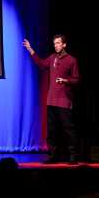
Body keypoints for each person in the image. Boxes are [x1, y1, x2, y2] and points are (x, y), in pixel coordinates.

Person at [23, 34, 81, 163]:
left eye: (58, 43)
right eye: (54, 43)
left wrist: (65, 80)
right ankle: (52, 156)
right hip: (51, 100)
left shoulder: (72, 60)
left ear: (64, 44)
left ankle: (73, 156)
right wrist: (30, 49)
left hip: (64, 100)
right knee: (51, 130)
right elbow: (42, 64)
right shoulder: (52, 57)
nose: (56, 46)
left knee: (68, 129)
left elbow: (77, 80)